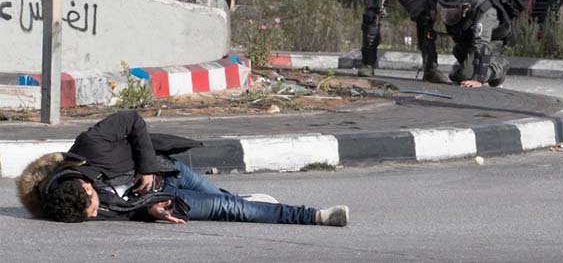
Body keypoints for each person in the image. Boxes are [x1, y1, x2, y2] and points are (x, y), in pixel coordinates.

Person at [16, 110, 349, 226]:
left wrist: (145, 168)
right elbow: (127, 211)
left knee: (225, 198)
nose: (99, 212)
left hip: (166, 171)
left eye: (95, 206)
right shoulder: (70, 205)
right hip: (163, 200)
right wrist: (152, 213)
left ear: (86, 185)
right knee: (229, 208)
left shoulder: (89, 146)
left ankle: (249, 200)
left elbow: (132, 119)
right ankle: (316, 216)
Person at [429, 0, 509, 88]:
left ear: (466, 7)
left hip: (492, 40)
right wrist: (433, 8)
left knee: (464, 77)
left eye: (452, 11)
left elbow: (481, 47)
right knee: (459, 61)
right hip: (471, 36)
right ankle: (469, 68)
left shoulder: (485, 12)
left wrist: (478, 79)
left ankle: (500, 66)